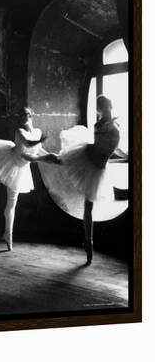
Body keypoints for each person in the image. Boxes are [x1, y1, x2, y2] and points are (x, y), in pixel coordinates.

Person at [0, 107, 57, 251]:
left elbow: (37, 150)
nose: (24, 116)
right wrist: (42, 143)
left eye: (27, 114)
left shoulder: (37, 132)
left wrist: (51, 156)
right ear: (20, 118)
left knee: (12, 202)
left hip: (23, 167)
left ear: (32, 116)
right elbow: (28, 144)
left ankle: (7, 234)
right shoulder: (19, 132)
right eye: (22, 115)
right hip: (12, 162)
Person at [45, 95, 120, 264]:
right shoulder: (100, 124)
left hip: (97, 166)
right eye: (100, 108)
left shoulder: (113, 127)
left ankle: (89, 243)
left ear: (108, 106)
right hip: (89, 158)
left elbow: (109, 147)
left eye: (102, 107)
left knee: (88, 207)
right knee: (60, 160)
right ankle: (88, 244)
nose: (101, 110)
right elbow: (101, 141)